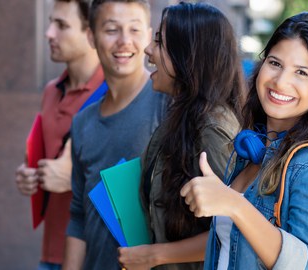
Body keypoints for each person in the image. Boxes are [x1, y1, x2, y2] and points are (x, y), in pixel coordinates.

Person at [180, 12, 308, 269]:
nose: (281, 82)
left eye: (301, 72)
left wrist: (233, 203)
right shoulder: (251, 149)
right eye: (275, 63)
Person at [117, 2, 245, 269]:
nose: (148, 50)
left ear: (189, 56)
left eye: (160, 42)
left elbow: (238, 228)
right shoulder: (182, 115)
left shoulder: (214, 128)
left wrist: (155, 256)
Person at [63, 0, 167, 269]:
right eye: (111, 30)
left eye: (134, 30)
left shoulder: (168, 105)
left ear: (147, 35)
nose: (124, 41)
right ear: (91, 36)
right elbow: (77, 215)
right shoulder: (83, 122)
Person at [14, 0, 103, 269]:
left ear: (91, 33)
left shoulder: (115, 95)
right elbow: (44, 152)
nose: (49, 33)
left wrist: (74, 179)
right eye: (51, 22)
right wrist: (28, 175)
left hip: (93, 256)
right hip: (49, 252)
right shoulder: (51, 90)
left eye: (61, 25)